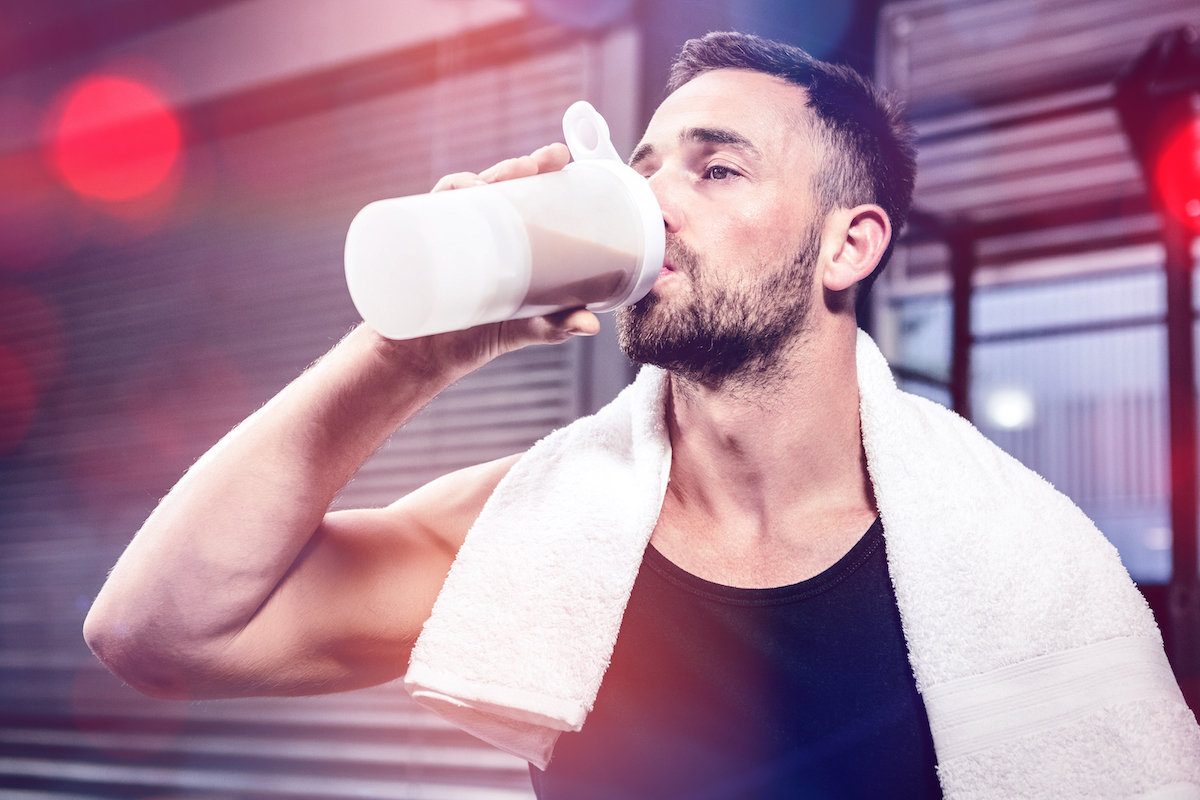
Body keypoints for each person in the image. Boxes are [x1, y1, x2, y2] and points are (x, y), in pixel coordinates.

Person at [85, 32, 1197, 800]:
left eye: (718, 170)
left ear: (847, 246)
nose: (656, 204)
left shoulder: (1011, 553)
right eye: (645, 166)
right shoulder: (538, 528)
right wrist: (407, 348)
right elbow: (158, 634)